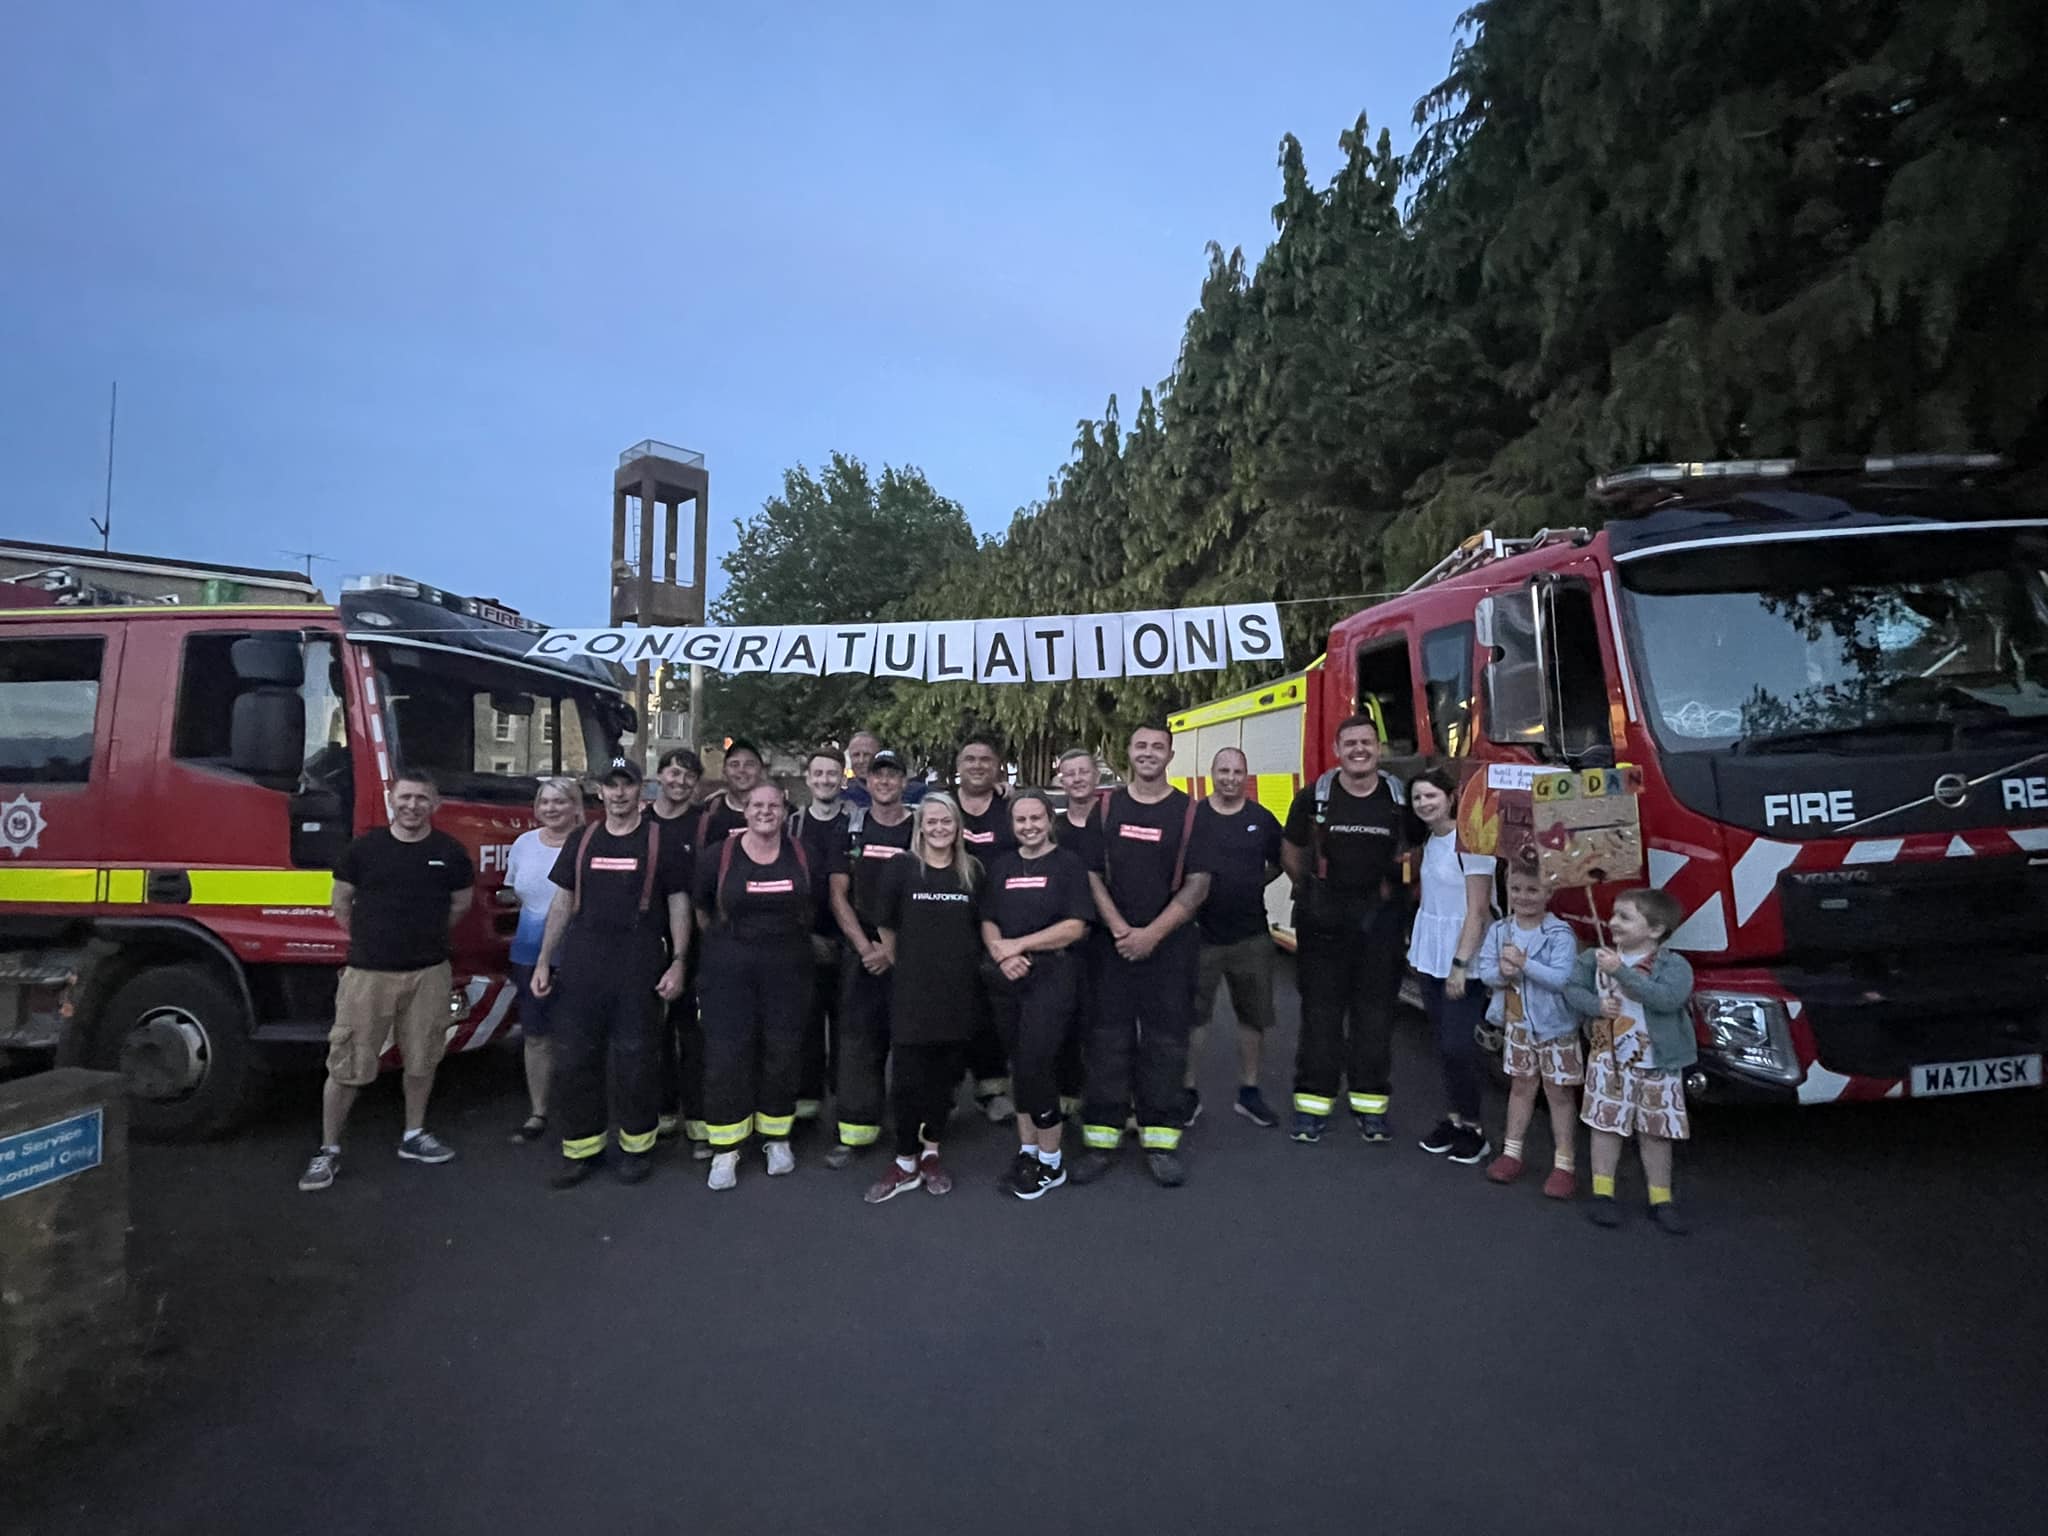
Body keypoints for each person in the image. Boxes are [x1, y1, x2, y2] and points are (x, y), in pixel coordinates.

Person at [298, 771, 474, 1191]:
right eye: (406, 797)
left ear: (436, 805)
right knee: (347, 1063)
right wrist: (369, 940)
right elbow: (341, 900)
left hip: (429, 973)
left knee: (423, 1057)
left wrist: (422, 939)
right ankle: (328, 1151)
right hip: (369, 974)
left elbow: (460, 903)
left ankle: (414, 1135)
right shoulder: (365, 848)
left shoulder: (449, 852)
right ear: (391, 800)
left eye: (422, 799)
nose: (413, 806)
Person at [529, 759, 693, 1188]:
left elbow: (678, 903)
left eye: (628, 785)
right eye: (611, 786)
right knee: (576, 1059)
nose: (619, 794)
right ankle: (582, 1148)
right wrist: (545, 959)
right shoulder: (582, 840)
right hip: (584, 961)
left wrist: (678, 960)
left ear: (641, 790)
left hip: (638, 961)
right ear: (599, 791)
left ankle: (636, 1148)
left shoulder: (662, 840)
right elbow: (562, 902)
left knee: (636, 1059)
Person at [1076, 723, 1213, 1188]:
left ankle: (1159, 1141)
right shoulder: (1106, 807)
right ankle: (1101, 1139)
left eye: (1158, 746)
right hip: (1112, 947)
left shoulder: (1191, 813)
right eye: (1141, 746)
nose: (1149, 753)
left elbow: (1198, 885)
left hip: (1169, 948)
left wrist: (1152, 934)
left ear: (1171, 755)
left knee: (1165, 1044)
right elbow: (1091, 875)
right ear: (1127, 753)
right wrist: (1120, 930)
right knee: (1107, 1043)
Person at [1280, 714, 1409, 1145]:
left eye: (1367, 742)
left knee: (1375, 1018)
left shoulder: (1397, 797)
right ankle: (1313, 1105)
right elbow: (1292, 851)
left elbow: (1416, 852)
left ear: (1378, 748)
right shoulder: (1313, 796)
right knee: (1321, 1018)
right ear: (1338, 750)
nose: (1359, 749)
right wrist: (1314, 892)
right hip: (1324, 924)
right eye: (1350, 742)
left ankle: (1370, 1105)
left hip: (1380, 924)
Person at [861, 794, 988, 1203]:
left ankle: (932, 1151)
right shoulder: (901, 869)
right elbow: (885, 926)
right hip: (912, 993)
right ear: (920, 827)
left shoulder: (971, 871)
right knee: (907, 1082)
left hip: (958, 994)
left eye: (945, 822)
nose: (938, 828)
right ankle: (904, 1161)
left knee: (944, 1081)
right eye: (930, 822)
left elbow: (981, 928)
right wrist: (905, 963)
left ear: (957, 827)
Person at [694, 781, 815, 1190]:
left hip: (788, 968)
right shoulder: (718, 856)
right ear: (745, 811)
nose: (766, 812)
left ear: (785, 812)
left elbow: (813, 906)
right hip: (729, 970)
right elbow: (701, 908)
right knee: (728, 1053)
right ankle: (726, 1148)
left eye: (774, 806)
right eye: (757, 805)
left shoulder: (801, 854)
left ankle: (776, 1137)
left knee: (782, 1051)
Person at [1563, 887, 1696, 1233]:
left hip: (1658, 1064)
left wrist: (1621, 971)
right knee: (1606, 1124)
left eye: (1625, 917)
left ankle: (1660, 1198)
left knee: (1656, 1131)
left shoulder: (1673, 965)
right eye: (1613, 915)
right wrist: (1595, 1006)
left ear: (1655, 930)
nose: (1612, 922)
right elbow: (1573, 989)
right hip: (1609, 1060)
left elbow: (1666, 999)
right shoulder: (1595, 958)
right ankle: (1603, 1192)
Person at [982, 790, 1093, 1200]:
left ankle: (1051, 1162)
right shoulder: (1003, 865)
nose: (1029, 826)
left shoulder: (1068, 865)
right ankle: (1028, 1151)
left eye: (1036, 818)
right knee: (1018, 1066)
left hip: (1053, 975)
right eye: (1020, 820)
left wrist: (1020, 945)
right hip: (1009, 975)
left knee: (1035, 1063)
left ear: (1050, 820)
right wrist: (1000, 951)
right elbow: (989, 919)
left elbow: (1075, 926)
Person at [823, 748, 917, 1168]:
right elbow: (838, 895)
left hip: (911, 955)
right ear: (867, 781)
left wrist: (893, 949)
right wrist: (865, 948)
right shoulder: (850, 828)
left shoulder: (919, 827)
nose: (884, 782)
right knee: (859, 1042)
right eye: (877, 776)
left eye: (892, 775)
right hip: (861, 954)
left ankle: (914, 1133)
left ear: (904, 781)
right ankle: (856, 1132)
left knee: (913, 1044)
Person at [1184, 747, 1284, 1129]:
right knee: (1194, 1018)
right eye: (1223, 770)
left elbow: (1277, 863)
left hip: (1251, 936)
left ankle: (1250, 1092)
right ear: (1212, 773)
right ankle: (1187, 1092)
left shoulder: (1261, 819)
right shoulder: (1194, 818)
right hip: (1200, 935)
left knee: (1253, 1017)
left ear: (1246, 775)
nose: (1230, 777)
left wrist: (1249, 885)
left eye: (1237, 771)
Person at [1471, 862, 1583, 1197]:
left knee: (1559, 1094)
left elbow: (1561, 979)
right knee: (1520, 1088)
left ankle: (1564, 1164)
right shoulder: (1501, 930)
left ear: (1549, 892)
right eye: (1516, 888)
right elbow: (1487, 973)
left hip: (1556, 1027)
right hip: (1518, 1025)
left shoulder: (1559, 933)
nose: (1524, 897)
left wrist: (1523, 964)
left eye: (1533, 890)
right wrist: (1503, 972)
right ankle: (1511, 1152)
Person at [1407, 766, 1498, 1167]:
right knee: (1443, 1045)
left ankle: (1475, 1130)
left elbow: (1478, 910)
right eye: (1417, 798)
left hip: (1462, 958)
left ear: (1451, 797)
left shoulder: (1472, 844)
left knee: (1458, 1046)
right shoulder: (1430, 840)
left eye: (1431, 796)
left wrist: (1461, 965)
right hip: (1429, 956)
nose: (1424, 804)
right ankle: (1455, 1118)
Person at [504, 776, 587, 1144]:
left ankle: (579, 1108)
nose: (551, 809)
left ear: (575, 807)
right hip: (528, 951)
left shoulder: (588, 843)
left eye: (560, 802)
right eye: (545, 802)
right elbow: (519, 894)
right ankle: (538, 1111)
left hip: (579, 952)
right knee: (536, 1035)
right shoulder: (522, 844)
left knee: (578, 1035)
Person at [952, 732, 1016, 1121]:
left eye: (985, 760)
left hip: (1000, 926)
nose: (977, 765)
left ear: (997, 767)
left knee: (994, 1012)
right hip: (947, 925)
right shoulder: (939, 807)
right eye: (969, 759)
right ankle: (946, 1088)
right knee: (950, 1008)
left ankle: (992, 1090)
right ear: (958, 767)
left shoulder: (1010, 809)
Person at [649, 747, 706, 1152]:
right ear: (659, 776)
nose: (679, 781)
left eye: (688, 776)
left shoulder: (706, 825)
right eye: (673, 773)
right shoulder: (637, 820)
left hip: (697, 943)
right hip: (646, 939)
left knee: (696, 1032)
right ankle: (663, 1109)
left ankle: (699, 1117)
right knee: (652, 1033)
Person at [795, 747, 852, 1131]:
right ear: (808, 778)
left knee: (850, 1031)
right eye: (819, 774)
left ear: (842, 778)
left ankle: (847, 1108)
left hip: (851, 943)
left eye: (833, 774)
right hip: (804, 943)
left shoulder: (857, 822)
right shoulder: (791, 826)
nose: (825, 780)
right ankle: (805, 1109)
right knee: (806, 1029)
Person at [1053, 747, 1109, 1120]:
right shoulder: (1052, 827)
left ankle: (1106, 1093)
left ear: (1097, 776)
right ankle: (1068, 1089)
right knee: (1066, 1015)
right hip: (1066, 936)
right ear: (1061, 780)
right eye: (1069, 773)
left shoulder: (1113, 819)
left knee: (1105, 1018)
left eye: (1083, 772)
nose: (1076, 779)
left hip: (1107, 932)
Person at [695, 737, 768, 847]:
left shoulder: (782, 814)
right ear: (724, 772)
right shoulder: (705, 814)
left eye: (749, 764)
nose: (741, 770)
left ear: (762, 771)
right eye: (734, 764)